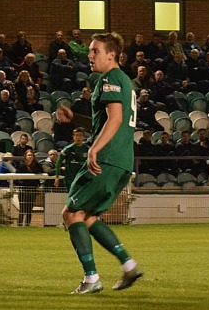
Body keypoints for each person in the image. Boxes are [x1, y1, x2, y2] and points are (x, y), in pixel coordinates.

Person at [56, 32, 142, 294]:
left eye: (95, 51)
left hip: (107, 158)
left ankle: (91, 278)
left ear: (111, 55)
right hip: (122, 161)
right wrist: (77, 120)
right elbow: (108, 120)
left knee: (71, 214)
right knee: (89, 217)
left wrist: (93, 148)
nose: (90, 55)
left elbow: (115, 119)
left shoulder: (110, 78)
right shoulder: (123, 80)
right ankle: (128, 265)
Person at [15, 149, 42, 226]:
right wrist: (21, 184)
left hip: (33, 189)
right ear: (25, 156)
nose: (30, 157)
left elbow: (38, 177)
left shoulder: (37, 166)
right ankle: (19, 224)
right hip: (23, 189)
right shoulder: (21, 165)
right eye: (28, 155)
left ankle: (27, 225)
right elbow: (15, 178)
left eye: (31, 155)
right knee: (22, 208)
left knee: (29, 209)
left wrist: (38, 185)